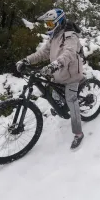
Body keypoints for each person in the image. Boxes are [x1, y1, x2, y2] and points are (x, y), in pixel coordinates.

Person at [16, 8, 85, 150]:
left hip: (71, 74)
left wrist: (55, 64)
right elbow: (42, 53)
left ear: (58, 23)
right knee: (54, 93)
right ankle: (60, 107)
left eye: (50, 24)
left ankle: (78, 133)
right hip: (59, 73)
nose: (48, 27)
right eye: (46, 24)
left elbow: (69, 53)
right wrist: (26, 60)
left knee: (72, 102)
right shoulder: (53, 37)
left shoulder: (70, 36)